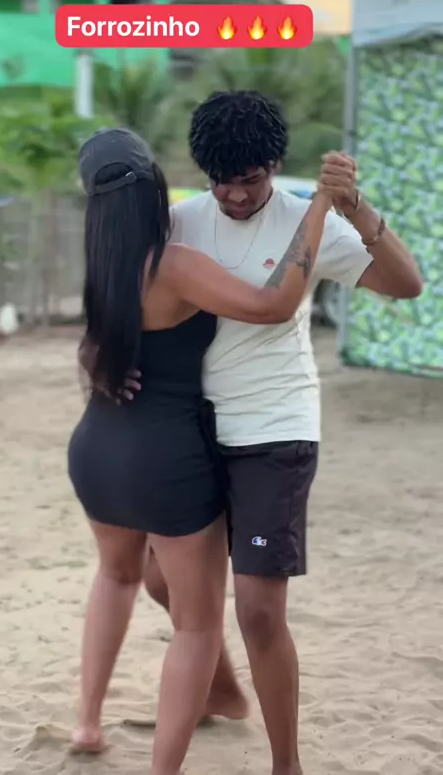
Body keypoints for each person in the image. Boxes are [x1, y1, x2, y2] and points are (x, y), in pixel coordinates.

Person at [136, 91, 423, 775]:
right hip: (195, 428)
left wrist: (354, 207)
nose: (236, 195)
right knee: (158, 579)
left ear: (273, 166)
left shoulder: (306, 220)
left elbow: (406, 284)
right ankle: (222, 689)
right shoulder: (181, 223)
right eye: (222, 181)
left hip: (275, 428)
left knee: (259, 612)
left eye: (251, 179)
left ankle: (285, 763)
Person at [67, 124, 335, 775]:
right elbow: (274, 306)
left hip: (96, 448)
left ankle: (88, 723)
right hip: (164, 460)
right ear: (154, 186)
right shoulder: (173, 263)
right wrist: (319, 209)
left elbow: (93, 352)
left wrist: (92, 366)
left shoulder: (101, 268)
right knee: (197, 626)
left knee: (116, 576)